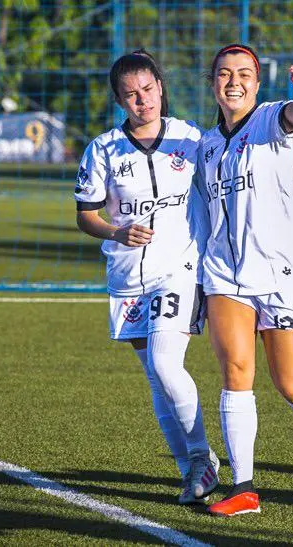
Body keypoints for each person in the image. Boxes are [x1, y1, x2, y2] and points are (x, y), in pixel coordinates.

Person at [195, 44, 293, 517]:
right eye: (224, 73)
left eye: (244, 73)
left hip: (283, 275)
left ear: (258, 83)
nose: (233, 81)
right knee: (236, 372)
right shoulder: (205, 145)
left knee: (292, 385)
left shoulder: (269, 121)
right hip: (224, 275)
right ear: (213, 83)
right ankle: (243, 488)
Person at [74, 49, 218, 505]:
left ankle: (203, 459)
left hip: (179, 268)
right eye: (131, 95)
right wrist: (117, 230)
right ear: (120, 100)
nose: (143, 101)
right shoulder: (102, 149)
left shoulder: (189, 138)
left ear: (161, 86)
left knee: (164, 363)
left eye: (149, 89)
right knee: (156, 379)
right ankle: (189, 471)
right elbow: (85, 215)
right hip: (126, 277)